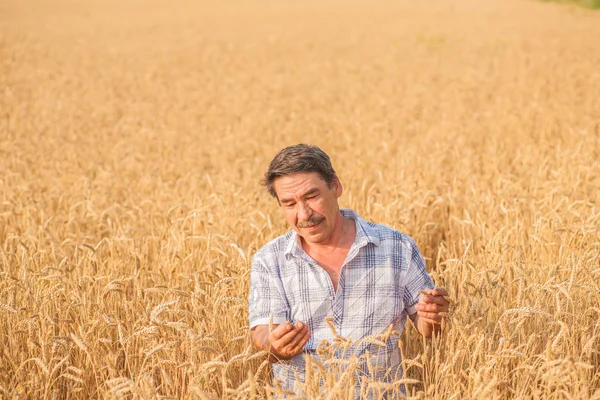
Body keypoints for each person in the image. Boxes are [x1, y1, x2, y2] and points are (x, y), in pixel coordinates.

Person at [248, 144, 450, 397]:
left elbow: (426, 326)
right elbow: (262, 333)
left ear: (336, 186)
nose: (304, 214)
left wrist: (433, 315)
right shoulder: (270, 259)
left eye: (312, 197)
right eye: (289, 204)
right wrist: (274, 344)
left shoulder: (396, 247)